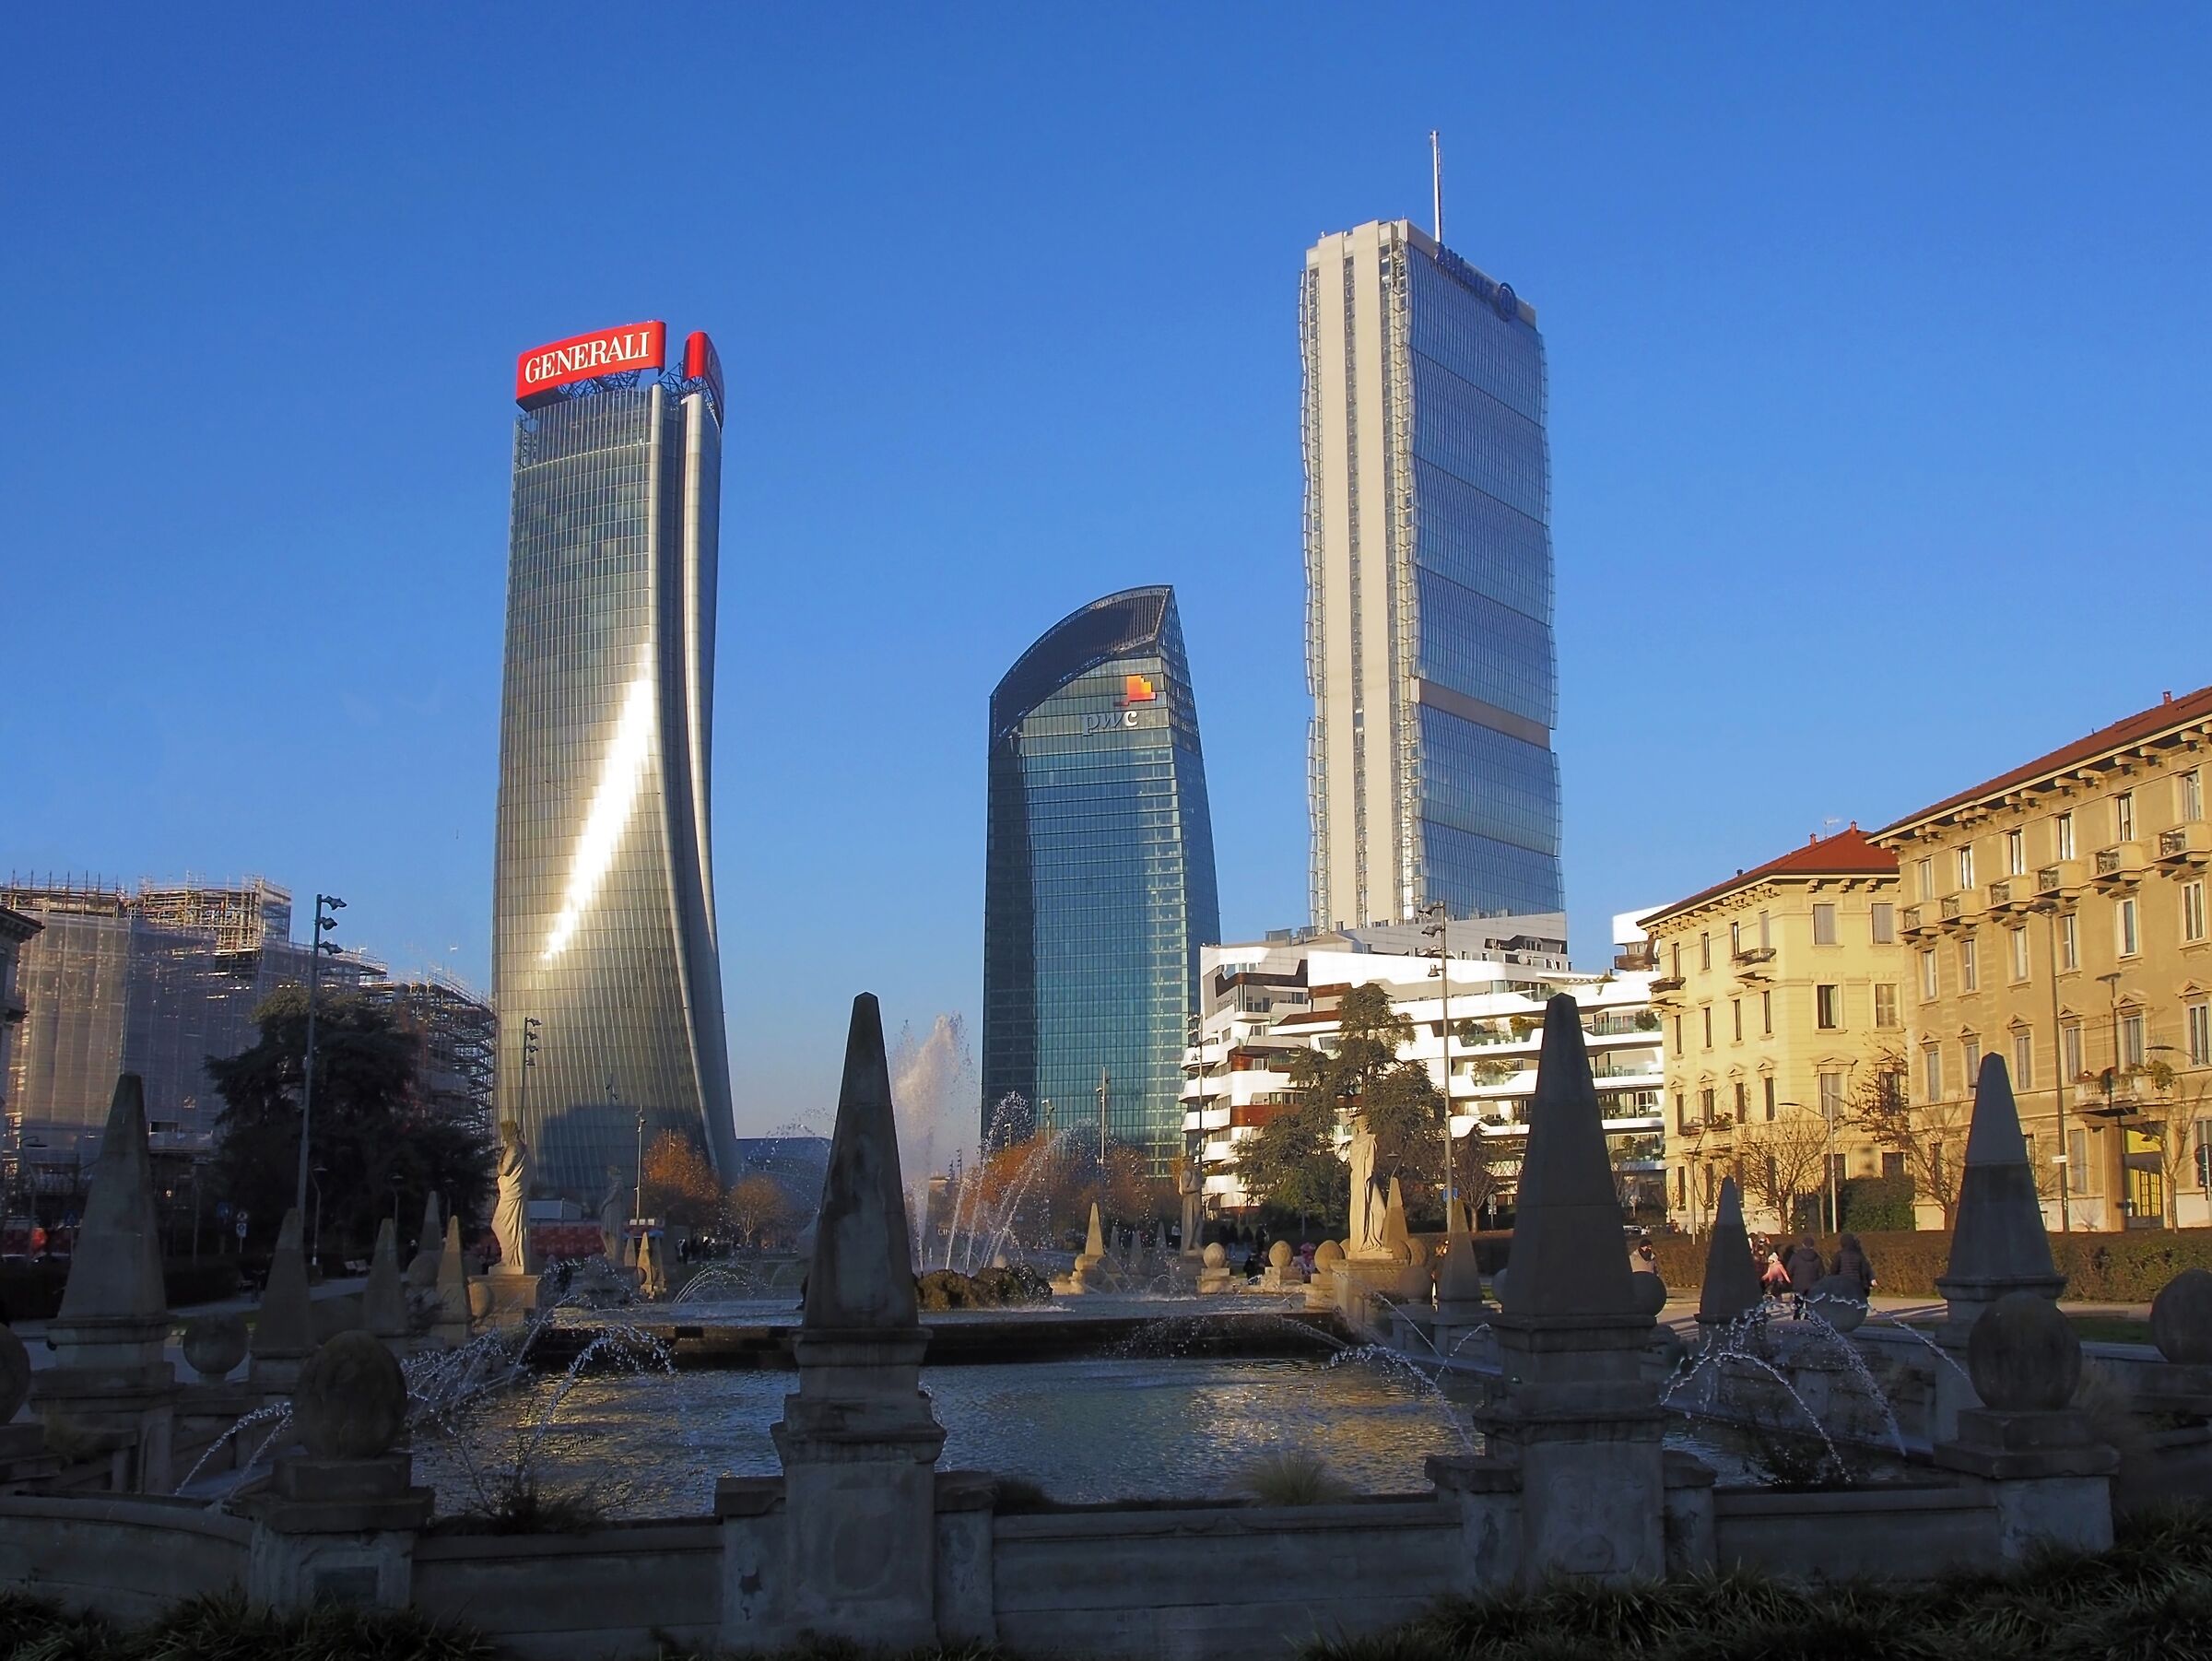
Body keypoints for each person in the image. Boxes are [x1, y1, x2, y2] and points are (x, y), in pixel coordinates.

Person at [1783, 1235, 1825, 1317]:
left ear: (1803, 1244)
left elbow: (1789, 1269)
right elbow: (1821, 1272)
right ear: (1813, 1245)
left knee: (1798, 1301)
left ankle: (1797, 1315)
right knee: (1810, 1301)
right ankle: (1808, 1315)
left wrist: (1790, 1279)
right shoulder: (1817, 1257)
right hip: (1813, 1283)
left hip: (1799, 1283)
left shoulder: (1796, 1256)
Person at [1833, 1231, 1876, 1297]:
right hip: (1857, 1282)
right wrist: (1869, 1280)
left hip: (1843, 1283)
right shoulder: (1859, 1254)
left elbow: (1834, 1270)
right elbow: (1864, 1269)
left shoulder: (1839, 1255)